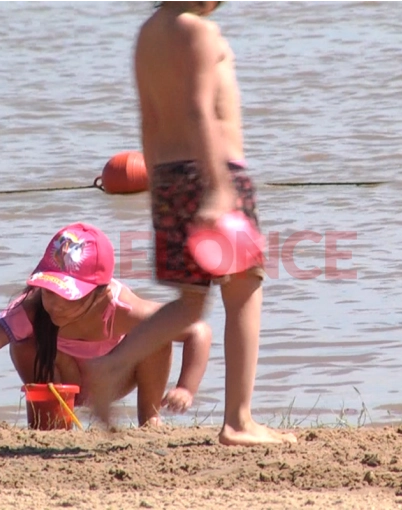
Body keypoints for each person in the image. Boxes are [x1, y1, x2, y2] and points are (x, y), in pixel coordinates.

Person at [85, 0, 297, 445]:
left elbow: (150, 116)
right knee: (245, 289)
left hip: (168, 177)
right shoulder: (200, 32)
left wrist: (160, 191)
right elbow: (202, 111)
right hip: (215, 171)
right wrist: (220, 187)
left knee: (189, 302)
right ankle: (239, 421)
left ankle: (108, 366)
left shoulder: (147, 34)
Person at [0, 222, 212, 427]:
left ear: (101, 293)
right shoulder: (34, 307)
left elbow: (197, 330)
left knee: (156, 338)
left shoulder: (119, 308)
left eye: (68, 295)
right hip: (58, 377)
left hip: (111, 379)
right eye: (49, 291)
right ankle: (49, 423)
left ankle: (150, 420)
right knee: (22, 342)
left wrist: (185, 388)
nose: (55, 304)